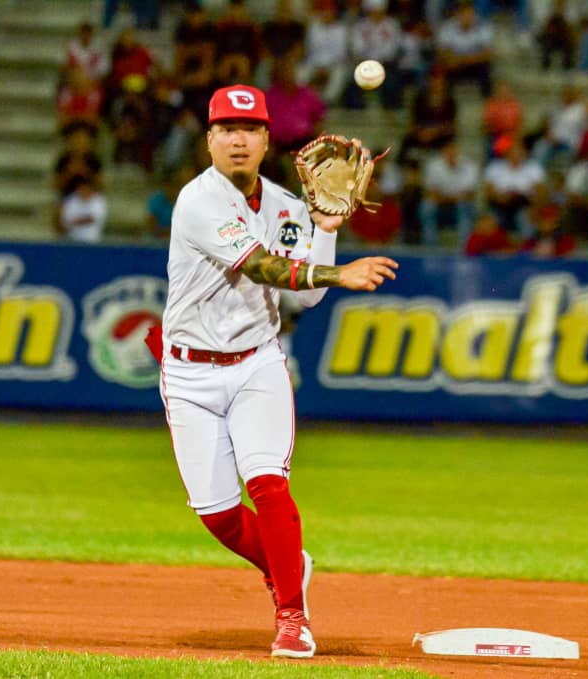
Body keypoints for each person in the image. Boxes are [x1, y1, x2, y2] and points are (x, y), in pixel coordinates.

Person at [156, 84, 398, 659]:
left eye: (249, 129)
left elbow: (304, 301)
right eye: (226, 130)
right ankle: (290, 562)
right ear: (209, 140)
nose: (238, 139)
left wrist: (329, 231)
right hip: (189, 374)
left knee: (268, 484)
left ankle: (292, 616)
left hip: (257, 364)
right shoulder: (199, 201)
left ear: (267, 140)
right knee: (217, 515)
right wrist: (340, 275)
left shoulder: (290, 208)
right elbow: (264, 268)